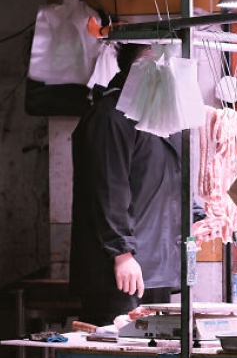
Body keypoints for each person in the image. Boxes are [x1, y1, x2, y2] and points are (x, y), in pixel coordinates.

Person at [70, 43, 208, 326]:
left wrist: (195, 217)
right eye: (156, 64)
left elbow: (177, 174)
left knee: (156, 355)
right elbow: (107, 189)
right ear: (137, 70)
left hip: (158, 266)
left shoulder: (166, 115)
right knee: (117, 350)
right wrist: (121, 253)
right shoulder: (111, 116)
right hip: (118, 270)